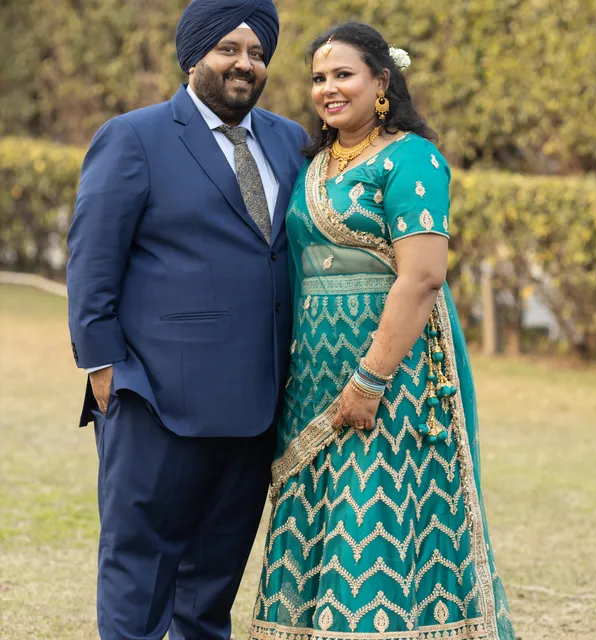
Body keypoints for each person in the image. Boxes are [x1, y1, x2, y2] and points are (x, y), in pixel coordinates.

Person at [250, 22, 516, 640]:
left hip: (393, 380)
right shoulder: (314, 163)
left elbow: (422, 277)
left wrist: (370, 380)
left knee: (375, 522)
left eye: (343, 74)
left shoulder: (411, 158)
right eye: (319, 78)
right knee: (319, 520)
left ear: (382, 82)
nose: (328, 88)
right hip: (314, 375)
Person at [66, 0, 308, 637]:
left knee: (210, 589)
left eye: (257, 53)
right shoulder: (134, 136)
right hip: (154, 399)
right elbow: (93, 257)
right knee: (139, 573)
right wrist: (103, 365)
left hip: (256, 406)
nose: (244, 64)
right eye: (229, 49)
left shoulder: (290, 141)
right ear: (194, 55)